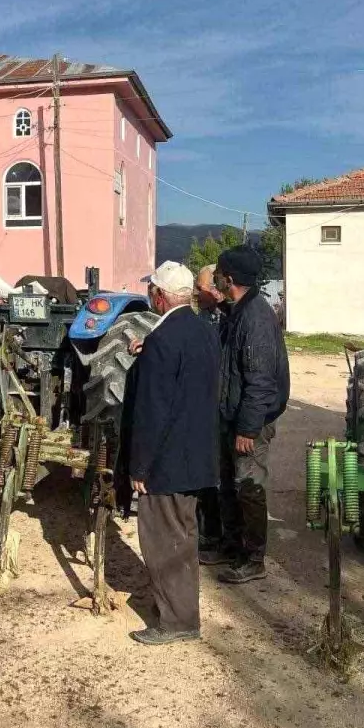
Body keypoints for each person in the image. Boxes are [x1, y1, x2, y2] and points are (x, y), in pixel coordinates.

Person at [127, 261, 222, 645]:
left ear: (160, 296)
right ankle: (181, 610)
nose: (150, 295)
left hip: (166, 463)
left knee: (163, 541)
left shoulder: (163, 342)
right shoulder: (203, 331)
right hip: (197, 455)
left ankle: (177, 622)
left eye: (152, 290)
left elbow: (153, 411)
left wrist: (139, 466)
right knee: (184, 535)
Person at [207, 246, 290, 584]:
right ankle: (231, 546)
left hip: (249, 423)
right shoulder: (239, 311)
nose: (214, 281)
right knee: (229, 484)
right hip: (233, 418)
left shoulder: (254, 318)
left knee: (248, 487)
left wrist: (248, 428)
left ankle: (253, 558)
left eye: (218, 276)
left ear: (229, 278)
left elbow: (260, 382)